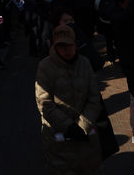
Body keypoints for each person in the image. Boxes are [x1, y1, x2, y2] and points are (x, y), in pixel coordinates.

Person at [35, 25, 101, 175]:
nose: (66, 50)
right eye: (61, 46)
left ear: (75, 44)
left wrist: (82, 125)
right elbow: (45, 104)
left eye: (69, 45)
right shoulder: (45, 67)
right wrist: (69, 127)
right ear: (54, 46)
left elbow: (94, 98)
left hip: (86, 135)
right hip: (58, 137)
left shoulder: (84, 63)